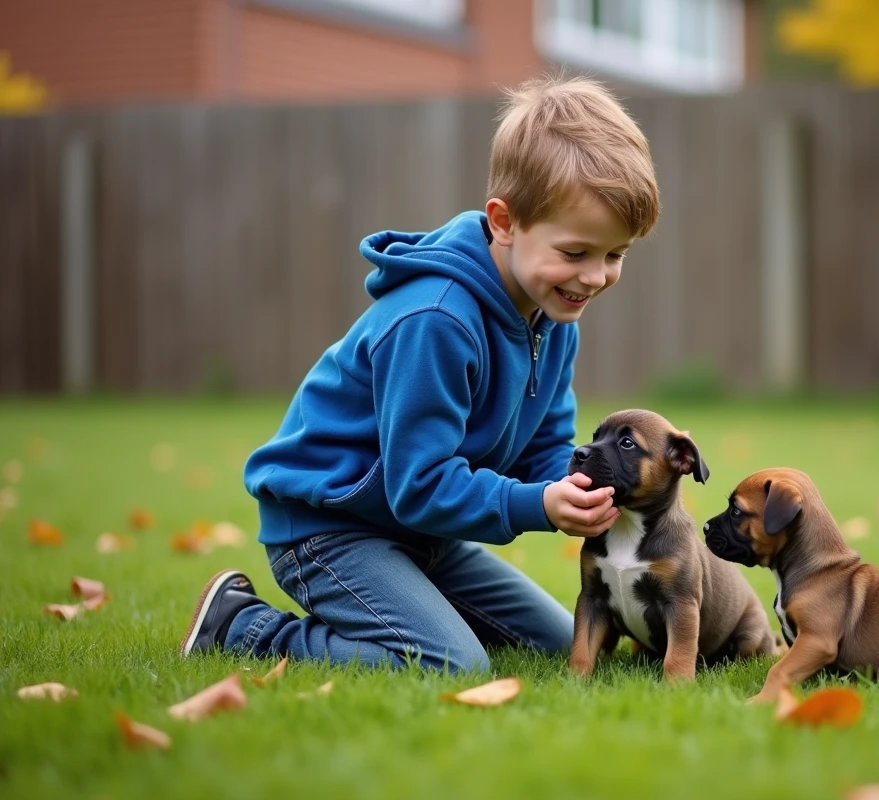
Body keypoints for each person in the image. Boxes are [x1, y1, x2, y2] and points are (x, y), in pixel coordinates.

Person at [179, 74, 660, 674]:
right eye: (575, 253)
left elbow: (544, 450)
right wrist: (536, 504)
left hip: (421, 536)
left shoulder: (553, 319)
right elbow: (420, 483)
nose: (595, 277)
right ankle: (241, 626)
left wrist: (587, 488)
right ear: (505, 222)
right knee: (453, 664)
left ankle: (403, 607)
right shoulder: (436, 321)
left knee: (567, 645)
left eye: (615, 255)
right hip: (331, 529)